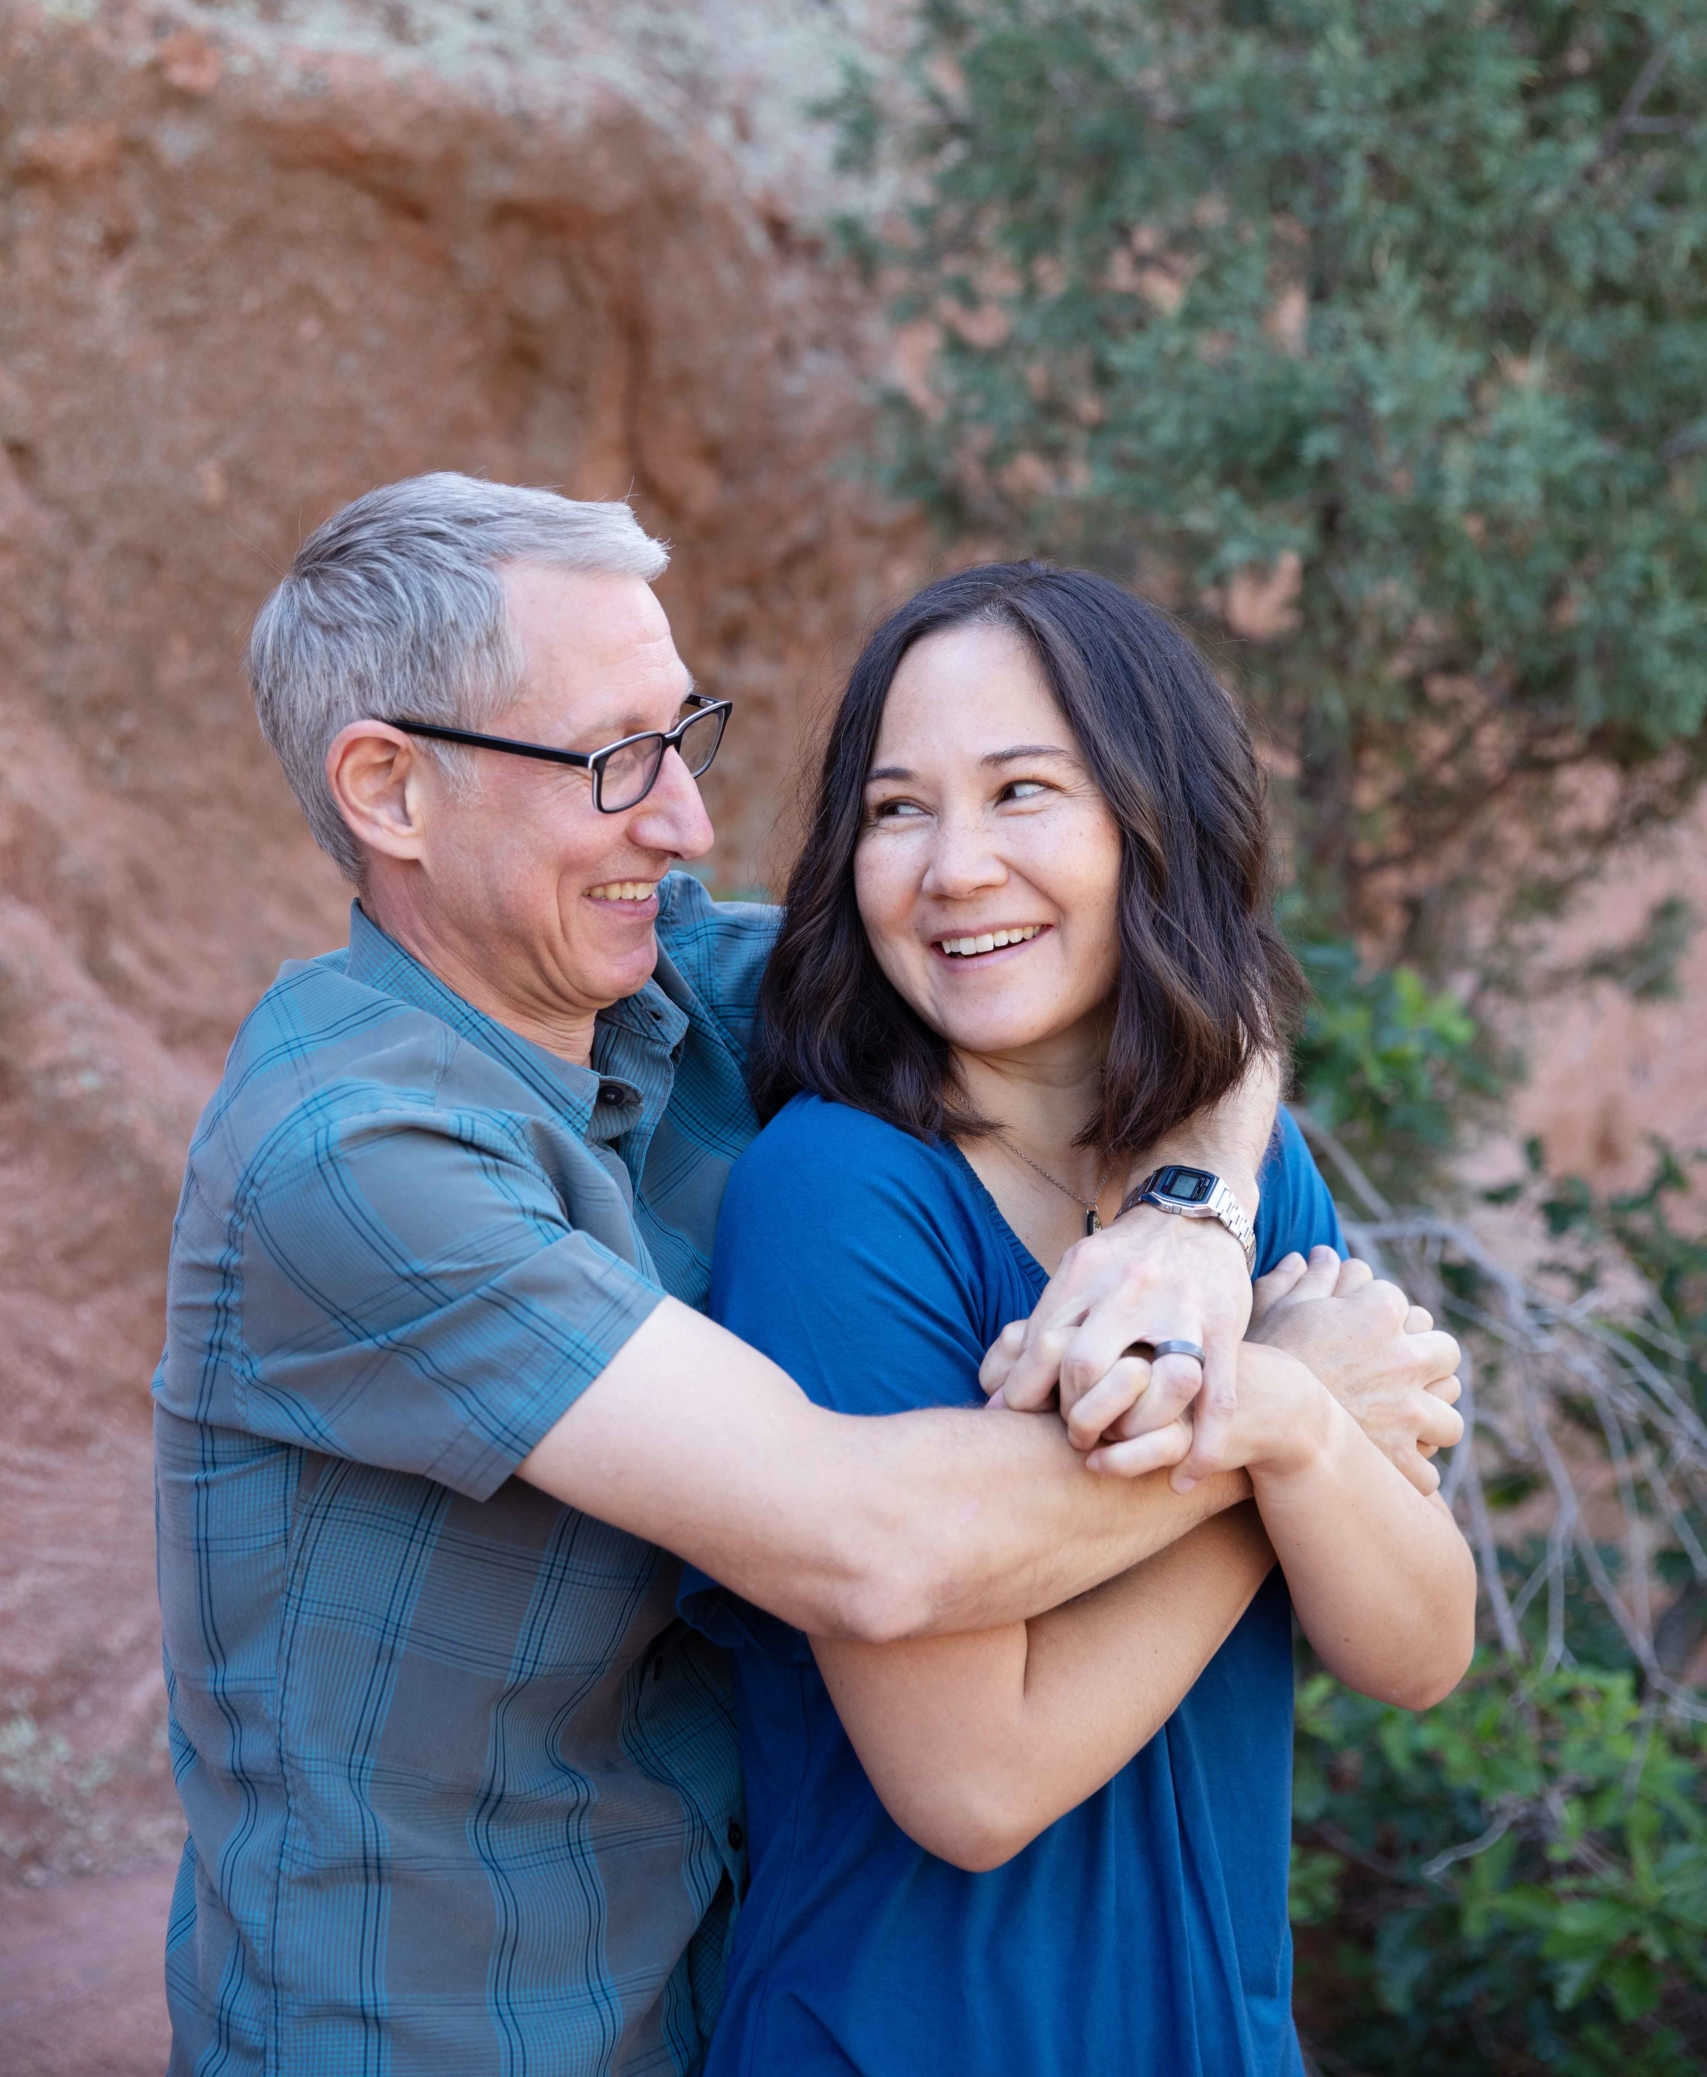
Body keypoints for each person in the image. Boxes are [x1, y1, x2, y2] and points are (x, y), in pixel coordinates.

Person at [152, 475, 1424, 2077]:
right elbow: (870, 1546)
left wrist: (1190, 1211)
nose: (681, 822)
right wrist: (1287, 1414)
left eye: (686, 739)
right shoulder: (352, 1157)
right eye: (614, 759)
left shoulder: (658, 973)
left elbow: (1130, 964)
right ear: (391, 792)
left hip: (702, 1985)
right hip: (432, 2034)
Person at [684, 562, 1477, 2077]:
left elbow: (1420, 1645)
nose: (955, 867)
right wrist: (1278, 1435)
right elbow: (973, 1783)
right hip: (913, 2038)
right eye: (897, 809)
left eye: (1022, 792)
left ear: (1149, 820)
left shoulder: (1238, 1184)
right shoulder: (839, 1192)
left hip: (1215, 2031)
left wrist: (1292, 1419)